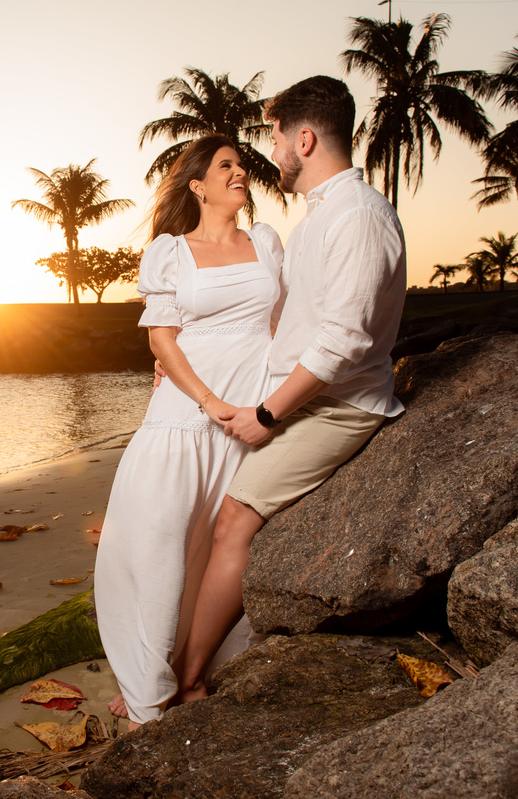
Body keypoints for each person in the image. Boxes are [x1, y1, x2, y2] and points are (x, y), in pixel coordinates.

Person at [169, 75, 408, 704]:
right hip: (307, 395)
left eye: (275, 138)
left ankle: (189, 683)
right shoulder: (320, 217)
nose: (270, 154)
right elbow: (283, 320)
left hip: (339, 406)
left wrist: (268, 415)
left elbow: (343, 341)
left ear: (304, 138)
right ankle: (180, 651)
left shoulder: (357, 218)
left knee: (234, 518)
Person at [93, 134, 284, 730]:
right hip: (186, 413)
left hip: (251, 415)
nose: (238, 172)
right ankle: (147, 684)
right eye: (224, 165)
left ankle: (181, 668)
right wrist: (208, 401)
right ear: (197, 184)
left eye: (240, 164)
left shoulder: (269, 243)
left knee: (214, 545)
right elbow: (162, 339)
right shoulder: (171, 251)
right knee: (160, 543)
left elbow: (284, 324)